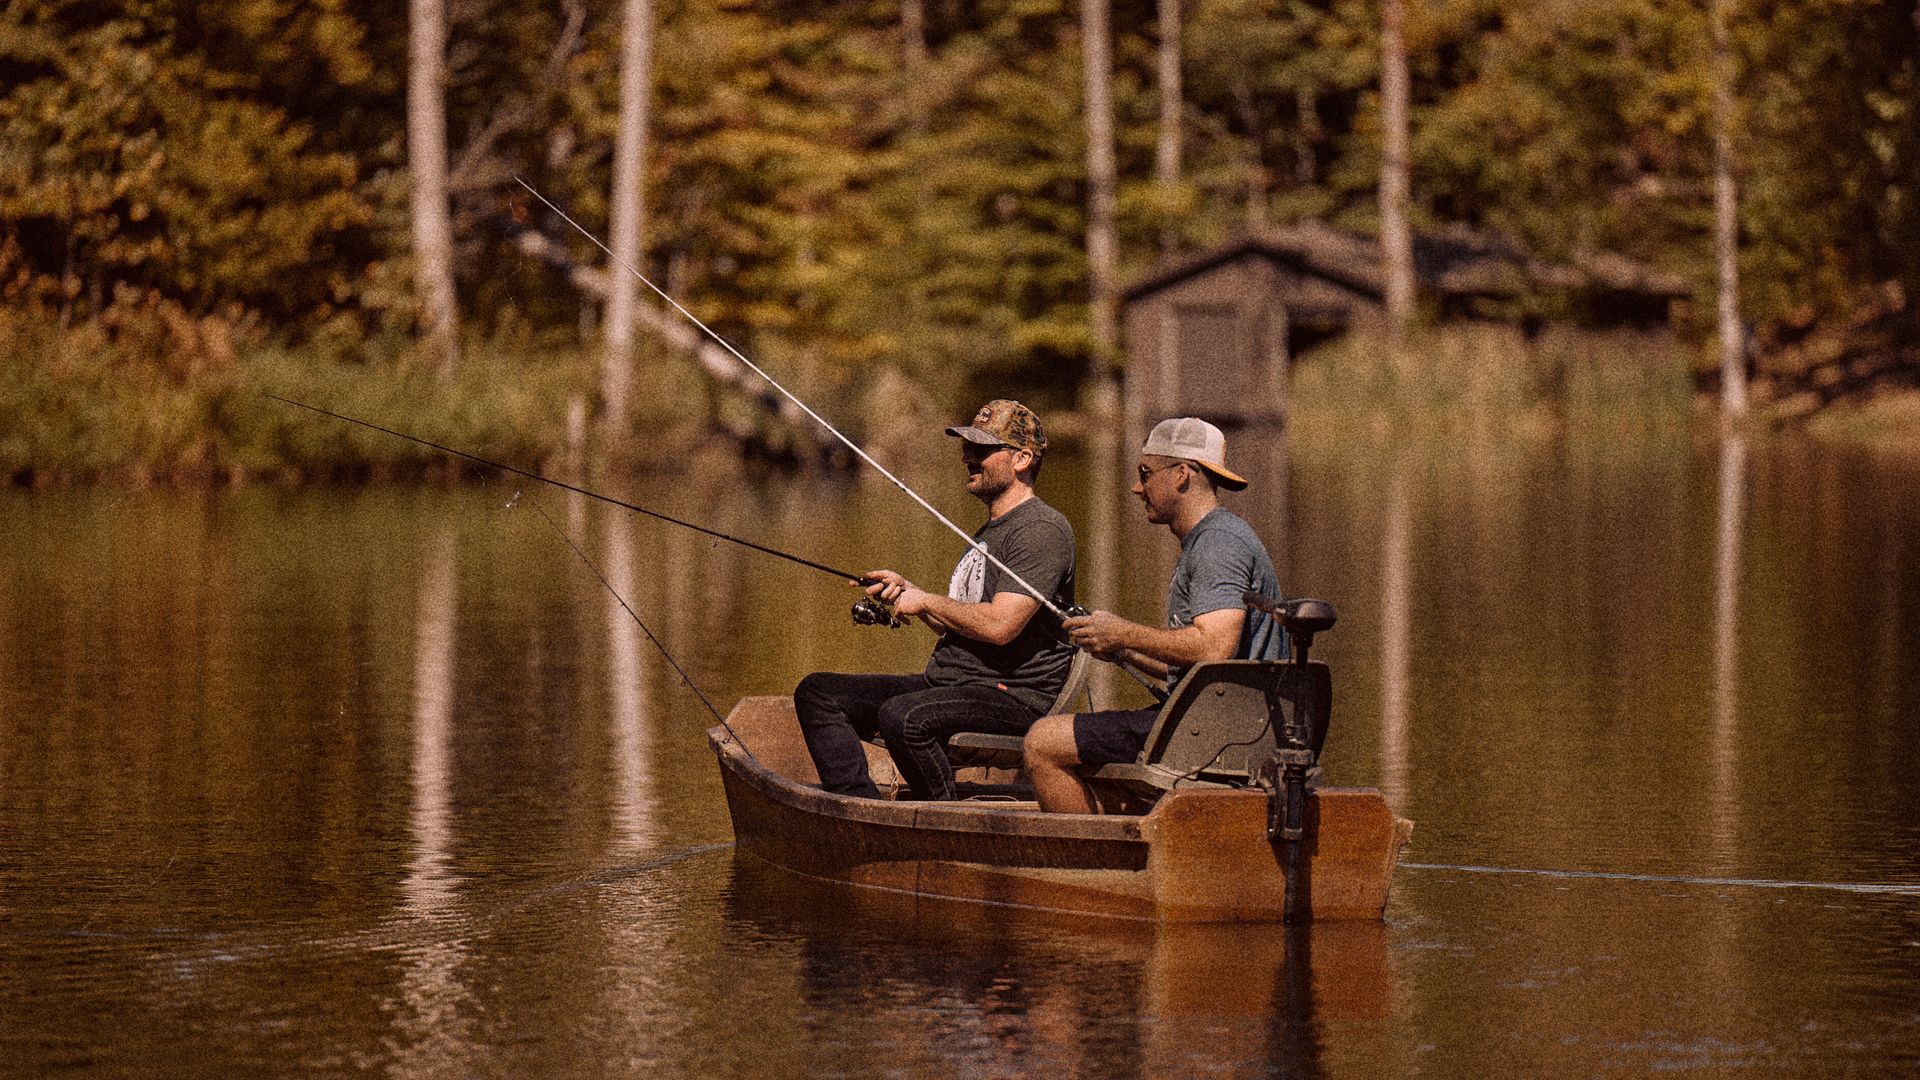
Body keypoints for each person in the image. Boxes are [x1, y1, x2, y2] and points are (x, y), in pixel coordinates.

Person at [794, 400, 1077, 800]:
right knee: (819, 694)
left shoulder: (1041, 530)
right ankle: (860, 807)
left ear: (1022, 459)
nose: (967, 457)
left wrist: (926, 601)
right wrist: (907, 592)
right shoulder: (991, 531)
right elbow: (960, 625)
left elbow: (1000, 626)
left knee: (904, 717)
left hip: (1011, 696)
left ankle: (942, 811)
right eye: (967, 447)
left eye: (981, 449)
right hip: (952, 685)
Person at [1023, 417, 1284, 814]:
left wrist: (1124, 632)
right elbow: (1205, 669)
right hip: (1221, 722)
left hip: (1219, 731)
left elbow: (1214, 648)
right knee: (1089, 766)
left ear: (1182, 475)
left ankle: (1094, 854)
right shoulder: (1211, 539)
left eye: (1145, 473)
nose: (1136, 487)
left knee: (1042, 743)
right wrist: (1122, 650)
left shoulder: (1218, 543)